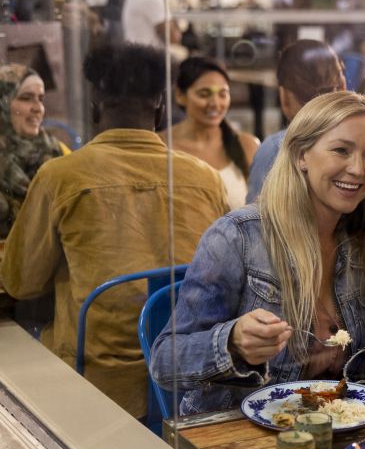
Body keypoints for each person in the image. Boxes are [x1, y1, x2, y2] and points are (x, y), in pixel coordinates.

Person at [0, 43, 228, 418]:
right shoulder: (205, 179)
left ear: (94, 103)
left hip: (96, 389)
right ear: (160, 104)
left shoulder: (61, 176)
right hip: (186, 386)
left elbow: (21, 282)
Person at [150, 92, 365, 416]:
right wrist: (231, 341)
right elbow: (164, 361)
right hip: (235, 433)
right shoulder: (239, 237)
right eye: (341, 150)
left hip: (333, 429)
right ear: (302, 155)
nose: (358, 169)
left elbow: (361, 362)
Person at [246, 39, 365, 203]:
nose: (357, 170)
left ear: (283, 96)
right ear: (343, 85)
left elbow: (254, 225)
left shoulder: (278, 149)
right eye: (341, 151)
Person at [164, 56, 259, 209]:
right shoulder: (161, 146)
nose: (215, 103)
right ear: (180, 96)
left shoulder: (247, 146)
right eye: (204, 94)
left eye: (222, 94)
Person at [0, 64, 68, 238]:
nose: (38, 108)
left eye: (41, 99)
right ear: (3, 102)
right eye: (26, 98)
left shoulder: (57, 151)